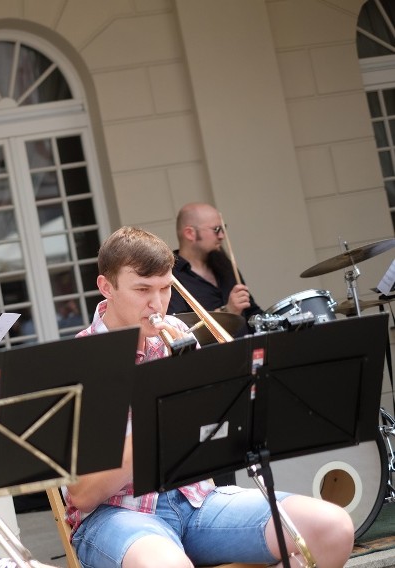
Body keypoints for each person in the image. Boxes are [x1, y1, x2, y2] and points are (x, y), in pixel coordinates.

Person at [64, 226, 354, 568]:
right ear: (106, 287)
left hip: (198, 501)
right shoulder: (81, 361)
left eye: (164, 288)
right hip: (117, 515)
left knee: (333, 528)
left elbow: (213, 440)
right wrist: (160, 413)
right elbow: (82, 495)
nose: (156, 304)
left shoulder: (179, 336)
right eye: (142, 290)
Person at [169, 202, 263, 333]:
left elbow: (251, 311)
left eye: (223, 228)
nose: (222, 236)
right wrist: (227, 311)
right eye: (216, 230)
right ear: (190, 233)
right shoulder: (170, 275)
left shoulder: (224, 264)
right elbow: (181, 331)